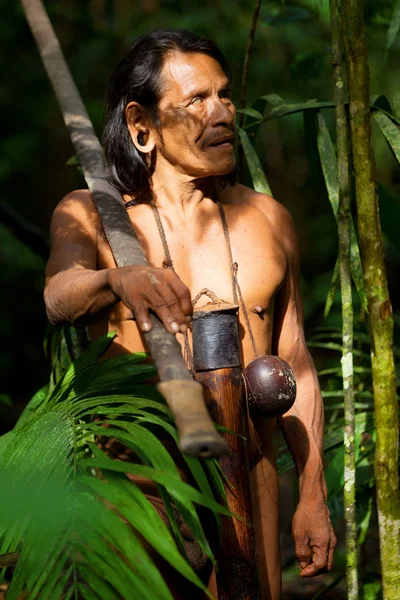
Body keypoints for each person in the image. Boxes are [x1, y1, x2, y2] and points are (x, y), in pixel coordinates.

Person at [44, 29, 336, 600]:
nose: (222, 112)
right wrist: (115, 277)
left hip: (249, 488)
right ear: (141, 127)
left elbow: (295, 366)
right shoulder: (93, 215)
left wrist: (311, 491)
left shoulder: (267, 221)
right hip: (138, 488)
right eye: (197, 100)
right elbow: (60, 296)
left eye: (225, 96)